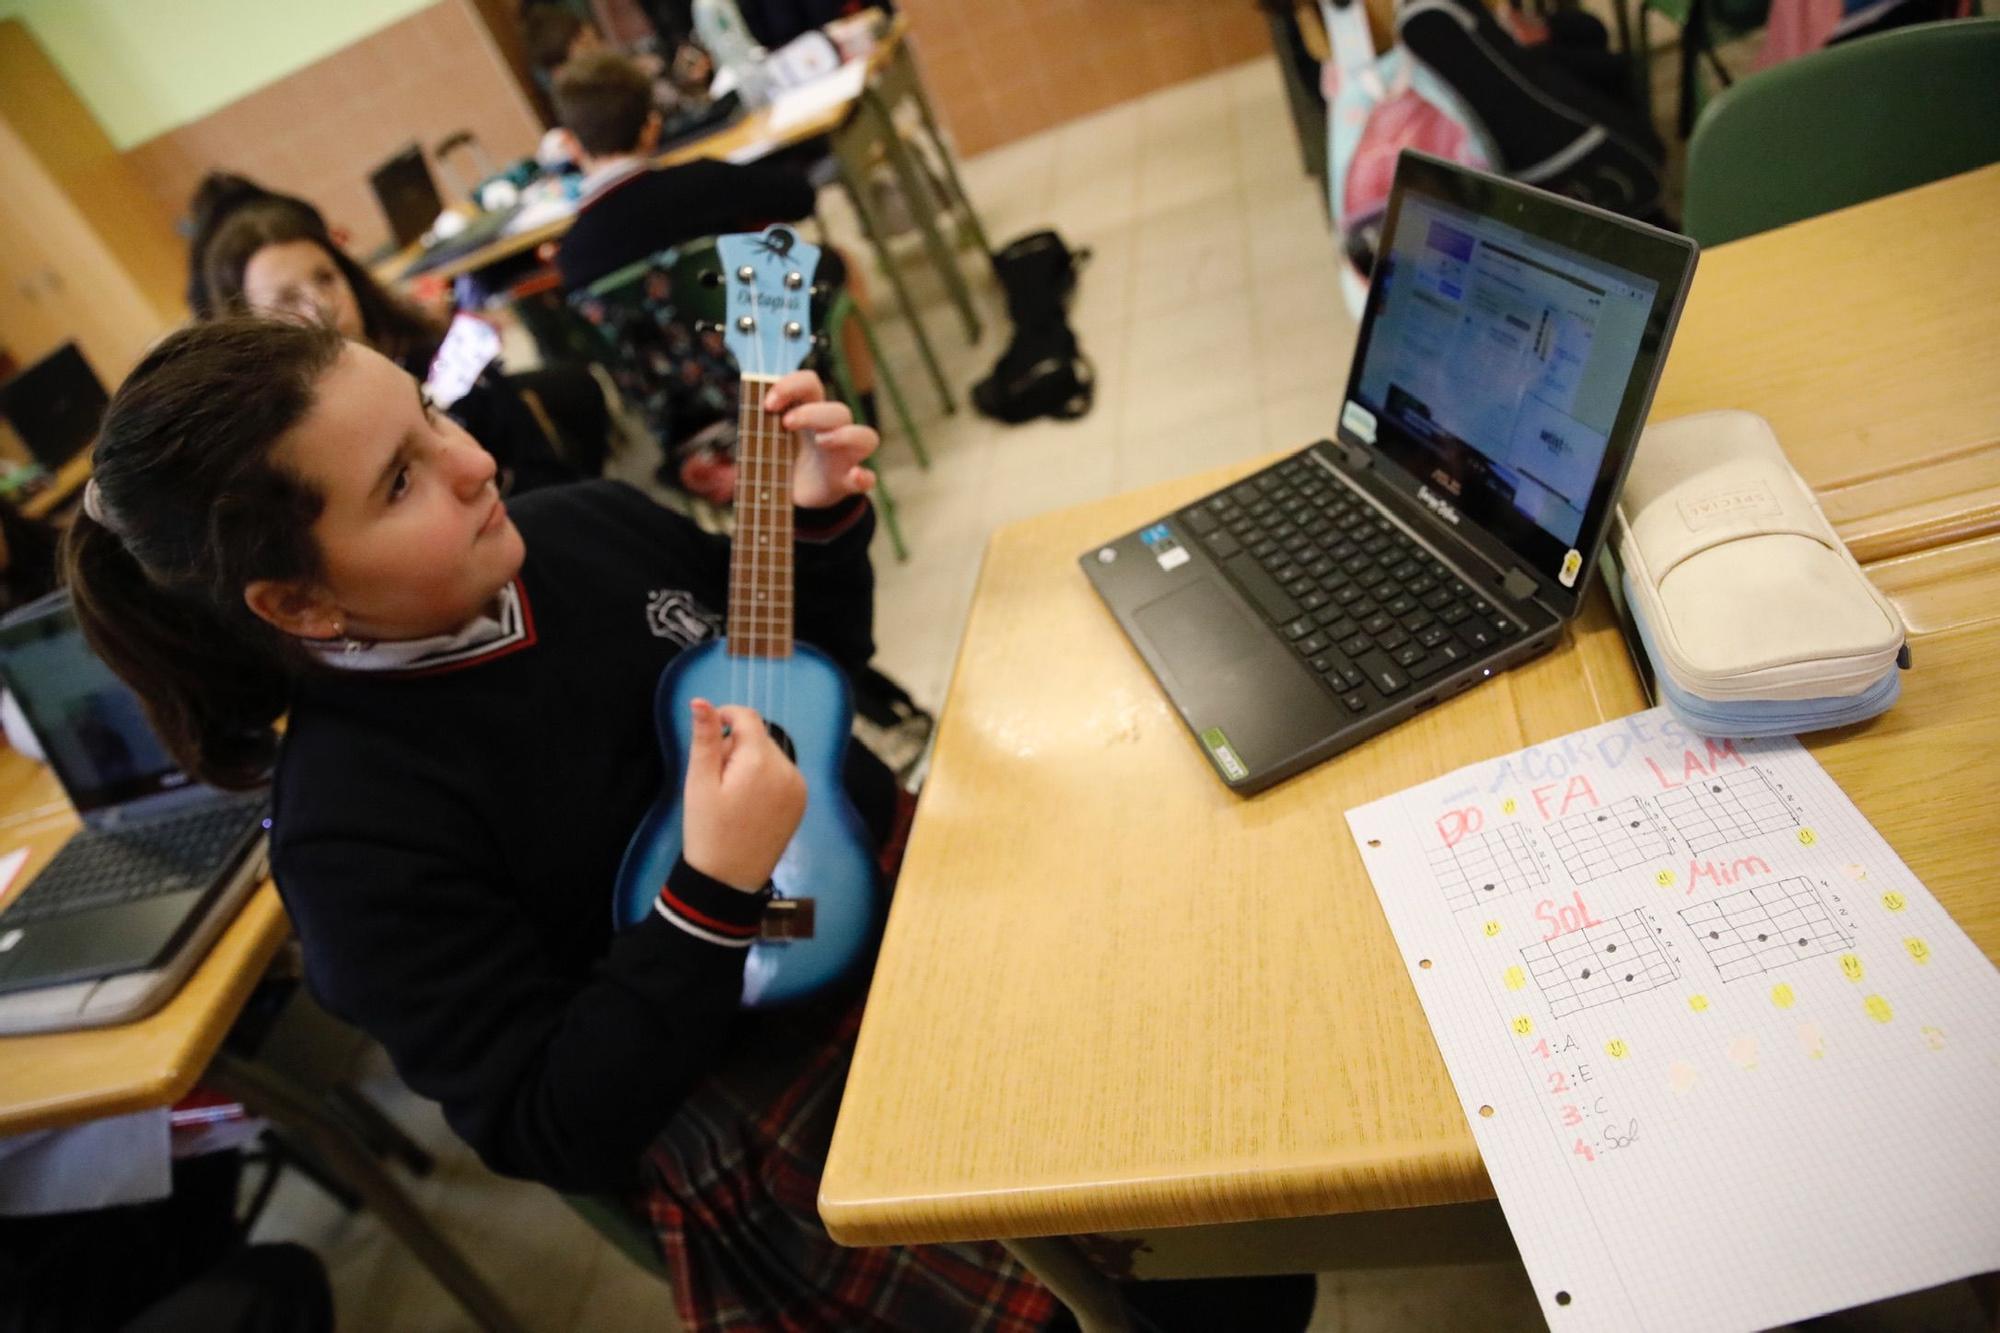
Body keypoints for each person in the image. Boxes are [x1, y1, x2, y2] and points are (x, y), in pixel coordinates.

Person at [60, 316, 1070, 1330]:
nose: (475, 460)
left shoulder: (586, 524)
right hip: (764, 1087)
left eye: (431, 414)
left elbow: (809, 674)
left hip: (909, 893)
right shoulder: (349, 838)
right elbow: (551, 1122)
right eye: (400, 482)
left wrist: (810, 526)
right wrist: (711, 894)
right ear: (299, 600)